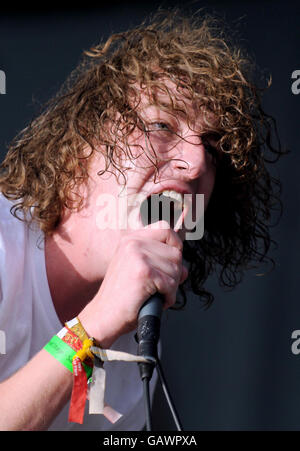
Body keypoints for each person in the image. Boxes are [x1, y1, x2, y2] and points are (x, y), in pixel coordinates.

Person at [0, 9, 283, 431]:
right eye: (161, 125)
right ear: (80, 141)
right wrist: (91, 328)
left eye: (213, 146)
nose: (197, 161)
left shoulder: (135, 346)